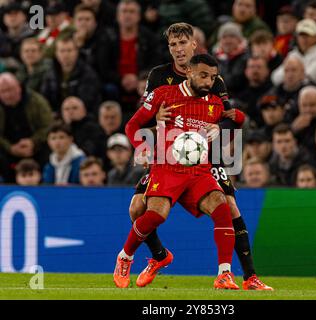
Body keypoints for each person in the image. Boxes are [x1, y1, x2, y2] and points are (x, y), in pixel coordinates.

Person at [128, 23, 272, 291]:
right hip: (169, 155)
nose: (178, 49)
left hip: (206, 153)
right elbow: (141, 120)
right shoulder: (159, 76)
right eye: (173, 45)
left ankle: (249, 277)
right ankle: (159, 257)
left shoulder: (212, 77)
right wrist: (152, 130)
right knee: (137, 208)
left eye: (183, 43)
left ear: (194, 44)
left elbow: (230, 119)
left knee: (228, 207)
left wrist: (220, 128)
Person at [114, 54, 240, 290]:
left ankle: (224, 274)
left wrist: (221, 126)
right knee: (154, 215)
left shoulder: (214, 102)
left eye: (213, 77)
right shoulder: (164, 94)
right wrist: (142, 147)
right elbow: (132, 125)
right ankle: (125, 257)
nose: (208, 82)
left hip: (199, 170)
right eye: (203, 75)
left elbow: (237, 120)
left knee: (222, 207)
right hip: (167, 167)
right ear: (189, 72)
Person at [0, 72, 53, 182]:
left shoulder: (37, 101)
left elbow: (48, 126)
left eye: (10, 90)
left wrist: (33, 142)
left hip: (35, 147)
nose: (8, 95)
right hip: (7, 148)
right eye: (3, 92)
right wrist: (10, 148)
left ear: (19, 87)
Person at [40, 33, 102, 115]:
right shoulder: (50, 74)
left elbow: (87, 101)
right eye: (62, 51)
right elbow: (44, 99)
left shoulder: (88, 74)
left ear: (76, 52)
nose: (65, 55)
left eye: (69, 50)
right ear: (56, 54)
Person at [271, 18, 316, 86]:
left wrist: (288, 78)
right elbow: (276, 77)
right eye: (301, 35)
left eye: (308, 35)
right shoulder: (293, 54)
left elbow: (311, 78)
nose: (304, 39)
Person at [61, 96, 107, 161]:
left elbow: (90, 149)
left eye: (75, 108)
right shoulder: (61, 130)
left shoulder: (93, 128)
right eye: (66, 109)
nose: (70, 112)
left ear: (84, 110)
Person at [212, 22, 248, 96]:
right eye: (224, 37)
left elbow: (235, 82)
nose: (228, 41)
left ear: (239, 39)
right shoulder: (214, 58)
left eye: (232, 36)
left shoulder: (246, 56)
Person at [237, 55, 272, 125]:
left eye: (259, 67)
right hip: (244, 131)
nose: (255, 70)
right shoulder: (240, 95)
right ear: (246, 72)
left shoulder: (273, 93)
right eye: (252, 67)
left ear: (267, 71)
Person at [291, 86, 316, 151]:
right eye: (304, 105)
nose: (308, 109)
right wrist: (293, 130)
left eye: (312, 105)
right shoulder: (293, 116)